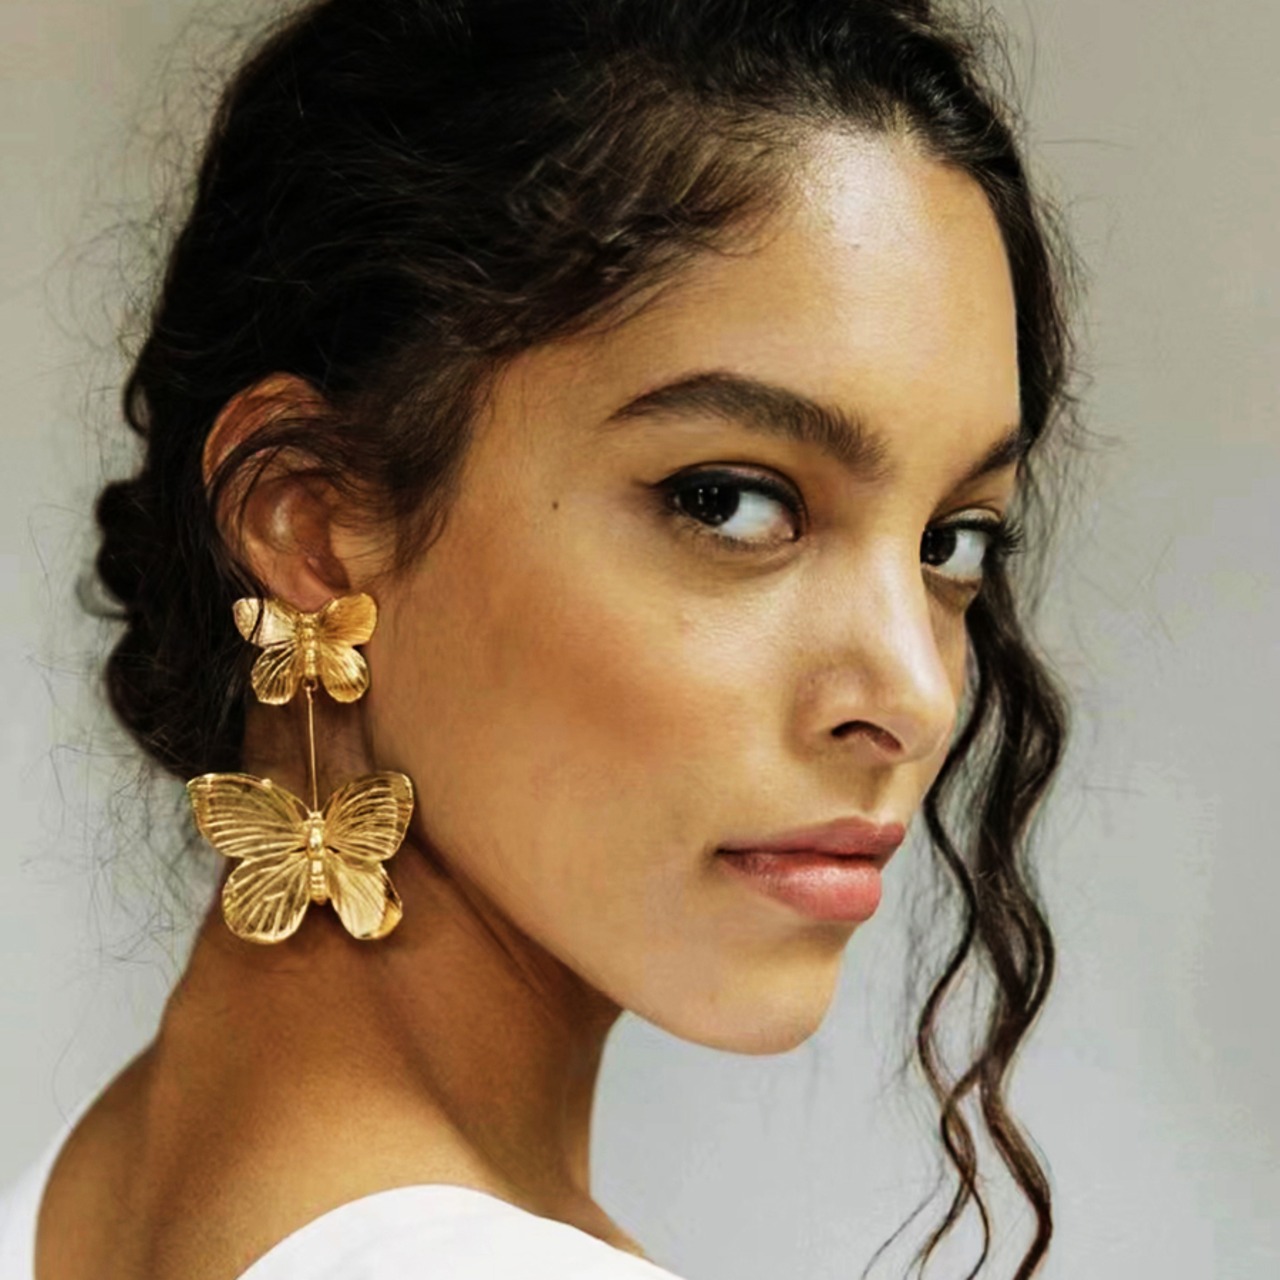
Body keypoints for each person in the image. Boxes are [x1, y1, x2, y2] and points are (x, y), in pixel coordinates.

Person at [0, 0, 1078, 1276]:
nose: (912, 693)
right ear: (311, 521)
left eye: (953, 540)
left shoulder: (69, 1206)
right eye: (728, 501)